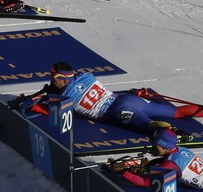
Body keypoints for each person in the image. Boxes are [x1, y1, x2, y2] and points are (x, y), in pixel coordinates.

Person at [17, 64, 203, 133]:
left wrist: (31, 105)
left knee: (148, 127)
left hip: (118, 111)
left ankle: (174, 134)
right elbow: (74, 82)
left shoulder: (64, 97)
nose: (50, 79)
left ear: (62, 79)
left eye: (53, 76)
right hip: (127, 100)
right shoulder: (87, 76)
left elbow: (51, 113)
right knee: (178, 111)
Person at [101, 128, 203, 188]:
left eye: (155, 145)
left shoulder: (169, 164)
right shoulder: (181, 150)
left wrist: (124, 172)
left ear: (164, 146)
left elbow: (146, 182)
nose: (152, 147)